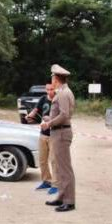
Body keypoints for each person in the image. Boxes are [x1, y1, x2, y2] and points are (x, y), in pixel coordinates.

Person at [41, 64, 76, 212]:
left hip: (61, 133)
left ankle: (69, 201)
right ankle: (62, 197)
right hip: (59, 132)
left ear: (56, 79)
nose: (52, 80)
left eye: (53, 78)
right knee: (60, 168)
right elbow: (61, 114)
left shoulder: (62, 93)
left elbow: (64, 115)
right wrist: (49, 118)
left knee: (64, 169)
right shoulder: (63, 91)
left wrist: (49, 123)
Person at [28, 83, 58, 195]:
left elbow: (62, 116)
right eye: (47, 89)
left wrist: (50, 119)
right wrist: (30, 115)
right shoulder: (43, 99)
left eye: (51, 89)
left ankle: (56, 184)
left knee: (54, 161)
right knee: (42, 160)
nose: (49, 91)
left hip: (54, 134)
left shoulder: (58, 100)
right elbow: (36, 109)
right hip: (43, 134)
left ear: (55, 89)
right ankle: (46, 181)